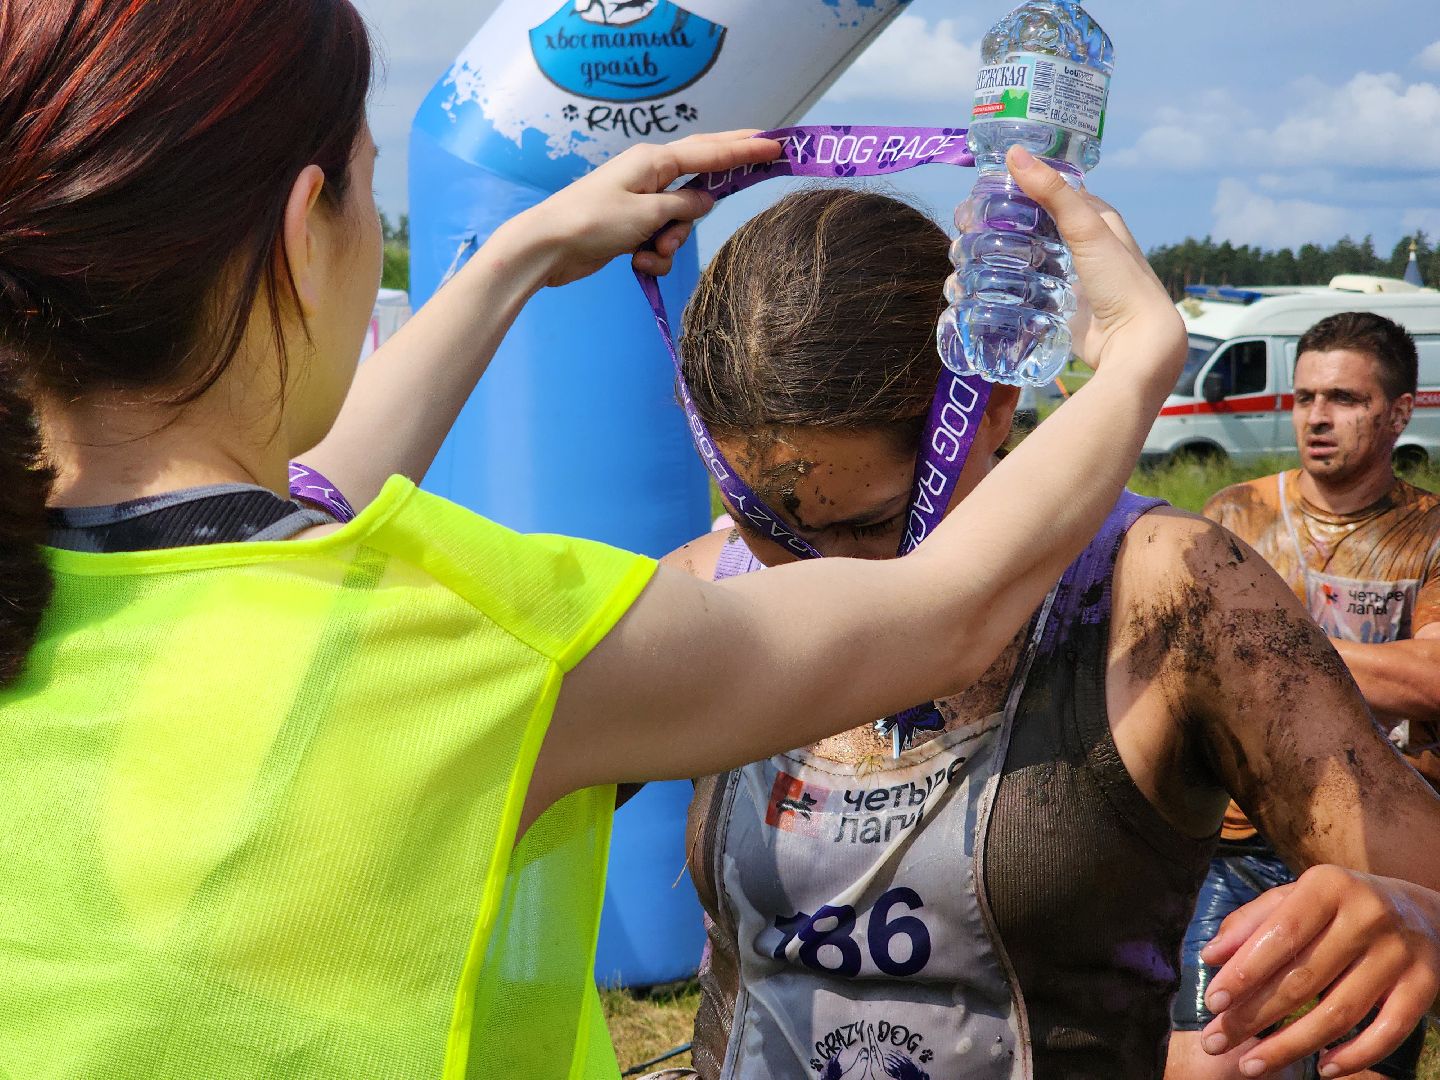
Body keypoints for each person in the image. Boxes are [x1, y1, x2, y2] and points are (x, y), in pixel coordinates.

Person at [0, 2, 1188, 1078]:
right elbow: (949, 611)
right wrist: (1134, 357)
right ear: (304, 233)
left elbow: (296, 512)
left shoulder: (50, 579)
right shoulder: (471, 639)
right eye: (368, 188)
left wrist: (519, 253)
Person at [625, 189, 1440, 1080]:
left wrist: (1417, 918)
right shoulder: (701, 591)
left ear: (992, 406)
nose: (823, 579)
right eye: (768, 525)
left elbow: (1417, 876)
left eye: (874, 524)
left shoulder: (1168, 591)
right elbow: (506, 767)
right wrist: (528, 260)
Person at [1168, 311, 1440, 1080]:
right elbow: (1179, 665)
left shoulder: (1429, 533)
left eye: (1345, 399)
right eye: (1305, 397)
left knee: (1356, 1065)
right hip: (1240, 840)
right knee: (1206, 1058)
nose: (1317, 416)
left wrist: (1261, 653)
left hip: (1380, 846)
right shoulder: (1235, 515)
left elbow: (1431, 679)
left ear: (1399, 411)